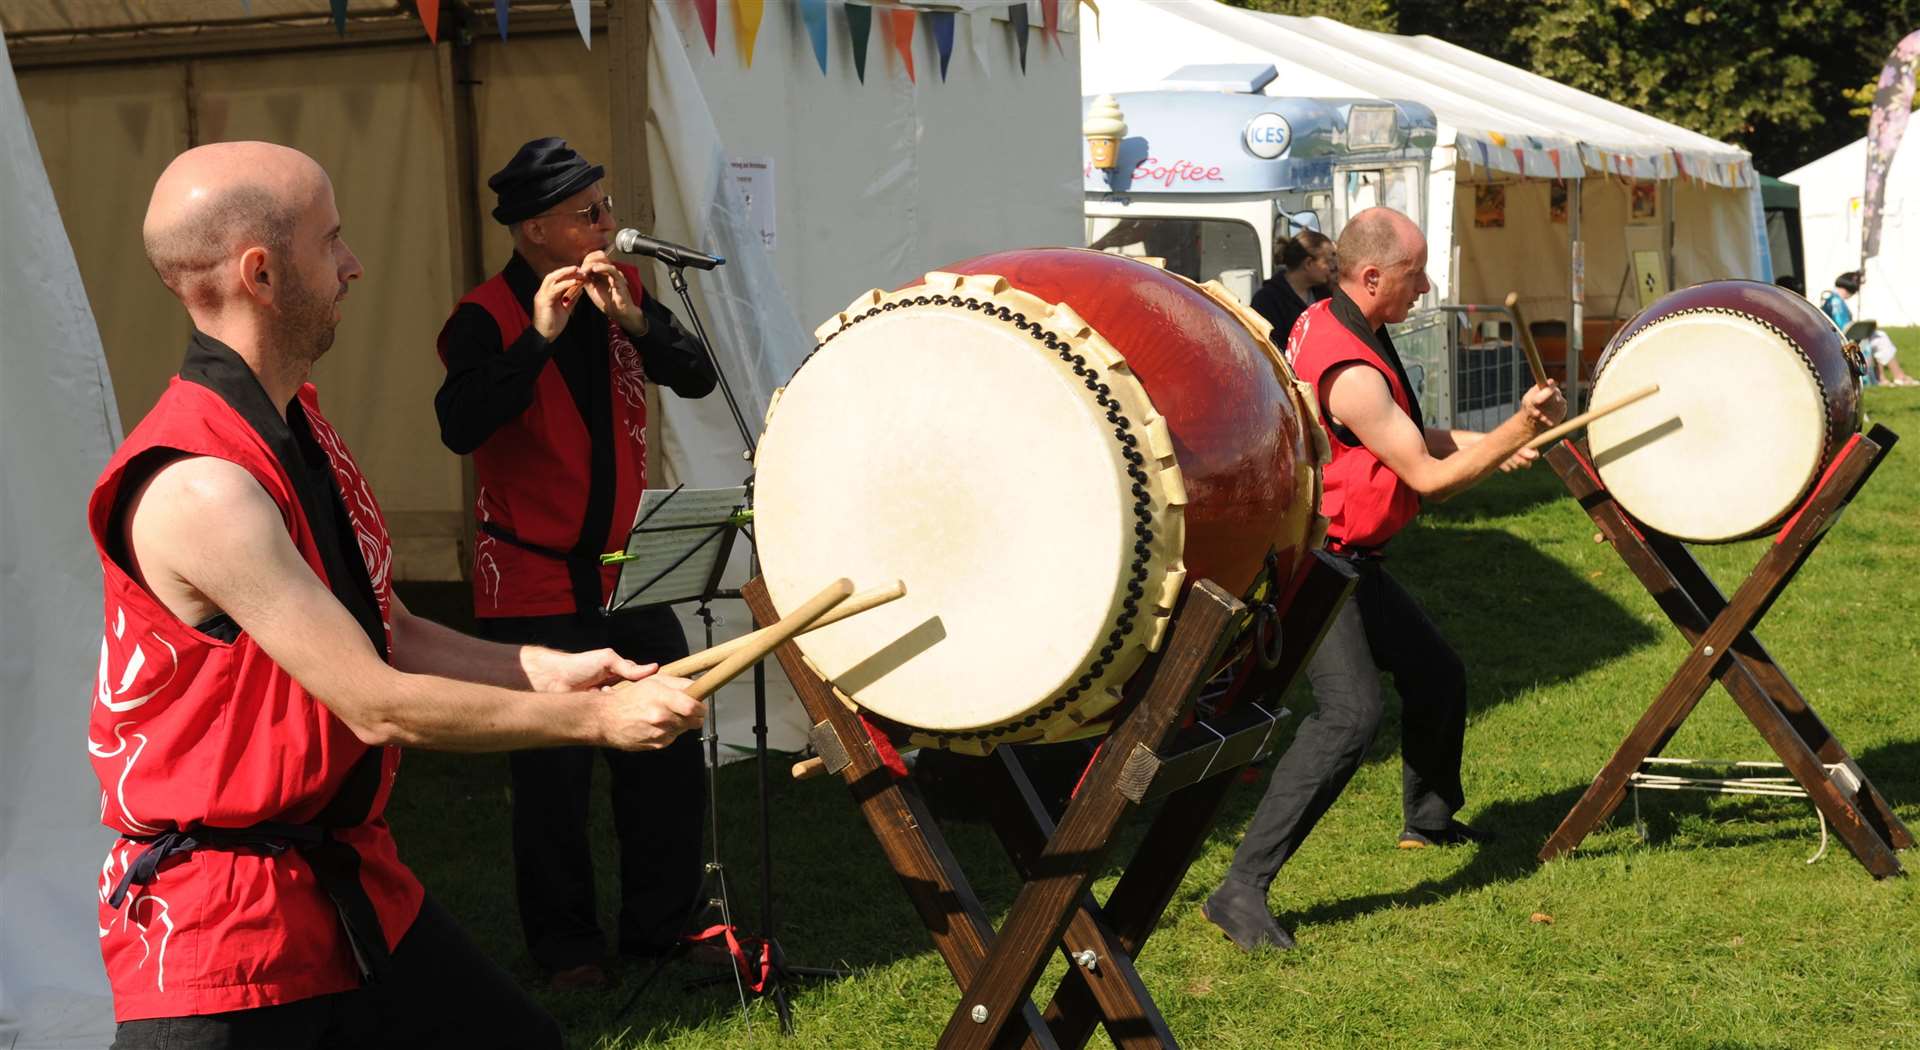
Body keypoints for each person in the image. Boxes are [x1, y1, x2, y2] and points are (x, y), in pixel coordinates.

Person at [92, 141, 705, 1048]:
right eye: (331, 241)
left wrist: (552, 668)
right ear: (262, 273)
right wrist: (598, 723)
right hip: (223, 926)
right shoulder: (200, 486)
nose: (352, 264)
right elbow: (375, 702)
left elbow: (393, 630)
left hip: (350, 884)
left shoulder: (297, 422)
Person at [1202, 207, 1567, 952]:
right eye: (1414, 275)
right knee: (1348, 716)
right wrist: (1513, 433)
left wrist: (1486, 440)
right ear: (1372, 276)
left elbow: (1394, 435)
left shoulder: (1330, 318)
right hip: (1316, 558)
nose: (1426, 288)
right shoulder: (1352, 367)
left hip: (1345, 554)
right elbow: (1428, 479)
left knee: (1436, 675)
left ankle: (1428, 823)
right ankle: (1241, 889)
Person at [433, 137, 719, 989]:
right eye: (588, 213)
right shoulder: (481, 315)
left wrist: (636, 320)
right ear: (534, 232)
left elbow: (697, 378)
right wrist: (540, 337)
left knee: (667, 746)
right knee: (552, 775)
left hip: (629, 570)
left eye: (605, 206)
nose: (609, 222)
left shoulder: (624, 289)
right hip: (531, 577)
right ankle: (566, 951)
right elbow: (462, 422)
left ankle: (660, 928)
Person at [1821, 271, 1917, 387]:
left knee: (1878, 338)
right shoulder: (1836, 302)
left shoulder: (1833, 298)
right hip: (1839, 341)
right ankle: (1896, 377)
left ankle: (1885, 377)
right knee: (1879, 338)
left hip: (1836, 338)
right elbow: (1842, 328)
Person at [1250, 229, 1337, 339]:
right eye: (1328, 262)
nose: (1333, 267)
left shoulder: (1325, 294)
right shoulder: (1267, 301)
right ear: (1309, 263)